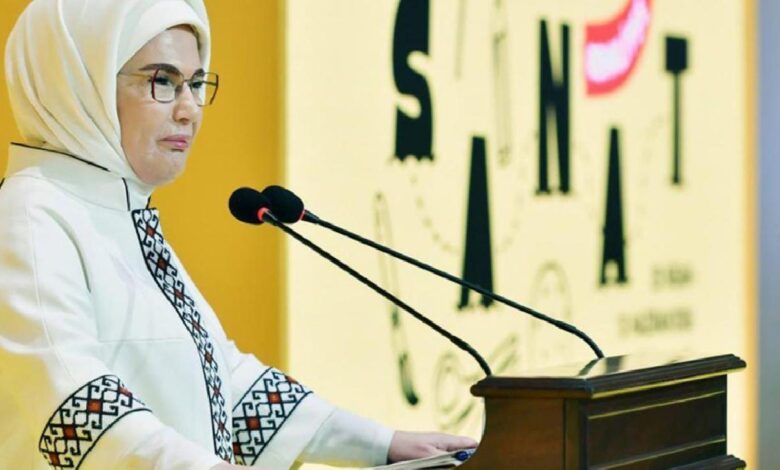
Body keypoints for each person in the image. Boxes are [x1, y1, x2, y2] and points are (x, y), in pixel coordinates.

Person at [0, 1, 477, 469]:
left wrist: (384, 445)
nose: (189, 109)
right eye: (162, 81)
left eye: (196, 83)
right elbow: (77, 411)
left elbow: (222, 387)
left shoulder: (118, 209)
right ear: (79, 83)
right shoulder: (29, 214)